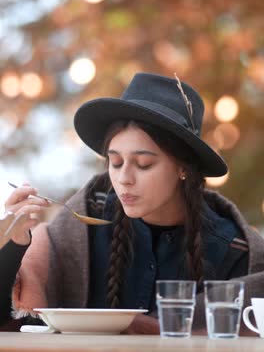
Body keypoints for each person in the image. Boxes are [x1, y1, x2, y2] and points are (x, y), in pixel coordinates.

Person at [0, 72, 264, 334]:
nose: (123, 178)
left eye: (143, 164)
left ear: (182, 168)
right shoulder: (79, 230)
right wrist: (16, 242)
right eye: (115, 163)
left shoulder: (234, 250)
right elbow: (19, 325)